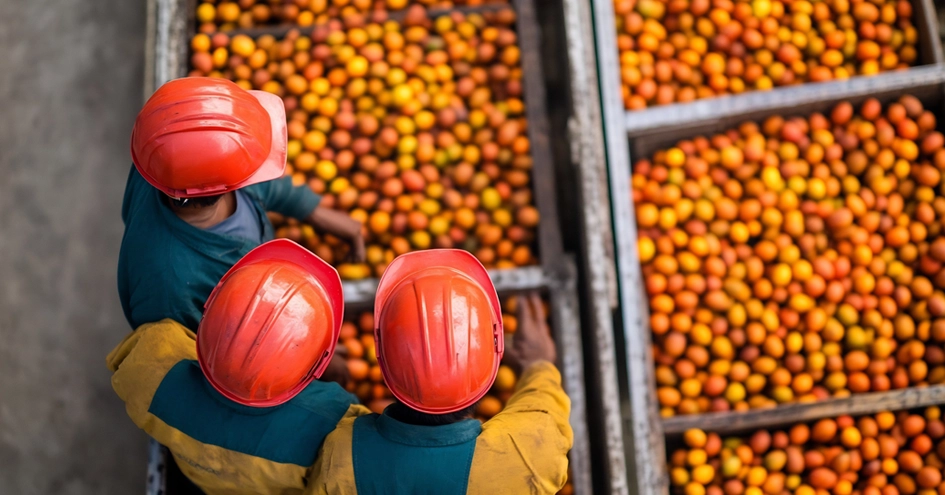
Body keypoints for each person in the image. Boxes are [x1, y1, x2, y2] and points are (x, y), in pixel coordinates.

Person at [306, 250, 573, 495]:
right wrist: (537, 364)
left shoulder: (340, 458)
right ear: (496, 351)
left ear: (382, 359)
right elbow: (544, 410)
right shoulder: (528, 457)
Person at [108, 239, 358, 495]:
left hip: (196, 476)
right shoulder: (330, 420)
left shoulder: (151, 357)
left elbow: (121, 365)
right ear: (313, 372)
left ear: (210, 308)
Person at [118, 77, 364, 332]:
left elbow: (256, 182)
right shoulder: (169, 292)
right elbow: (208, 353)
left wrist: (313, 212)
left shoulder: (158, 156)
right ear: (225, 188)